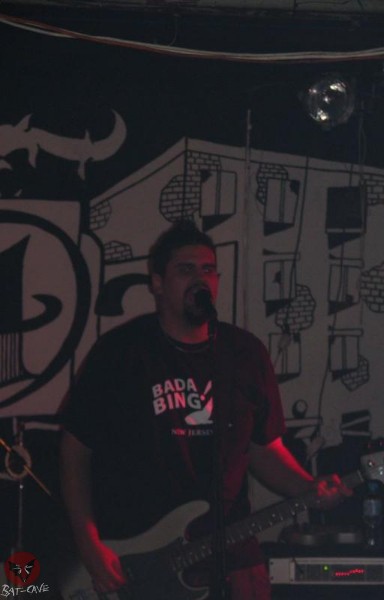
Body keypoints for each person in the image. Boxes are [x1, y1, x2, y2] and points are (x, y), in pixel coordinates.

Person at [60, 220, 350, 599]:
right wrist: (88, 543)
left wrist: (308, 487)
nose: (201, 279)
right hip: (143, 558)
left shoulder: (245, 353)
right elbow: (75, 451)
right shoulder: (121, 352)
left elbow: (263, 449)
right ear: (158, 283)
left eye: (208, 270)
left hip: (232, 551)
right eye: (186, 270)